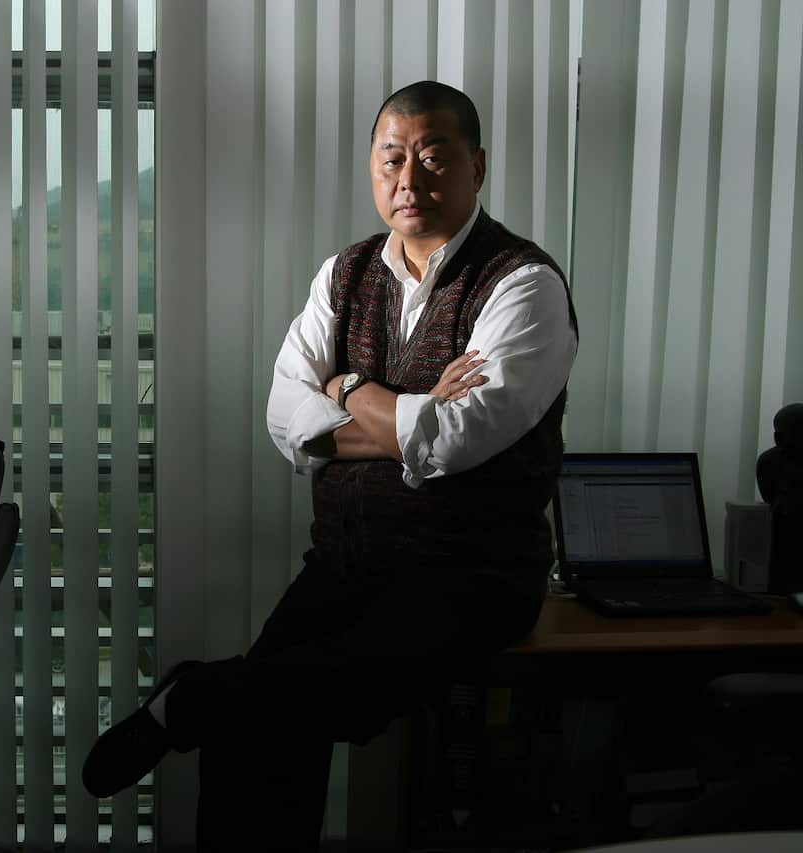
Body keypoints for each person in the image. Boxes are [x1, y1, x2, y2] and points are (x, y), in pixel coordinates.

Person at [82, 80, 578, 850]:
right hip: (344, 564)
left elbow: (458, 437)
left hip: (469, 576)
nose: (408, 179)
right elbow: (286, 417)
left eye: (432, 157)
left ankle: (192, 695)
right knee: (260, 724)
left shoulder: (523, 284)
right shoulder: (343, 275)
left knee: (276, 693)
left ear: (477, 166)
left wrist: (342, 391)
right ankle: (202, 703)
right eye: (391, 159)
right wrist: (397, 412)